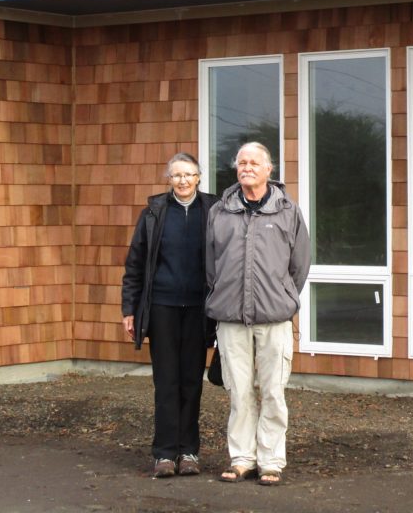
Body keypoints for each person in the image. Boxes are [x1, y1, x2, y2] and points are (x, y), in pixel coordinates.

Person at [205, 142, 310, 487]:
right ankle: (241, 459)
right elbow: (212, 266)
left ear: (269, 170)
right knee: (239, 392)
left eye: (254, 162)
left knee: (273, 391)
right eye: (242, 162)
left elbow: (299, 266)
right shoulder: (221, 211)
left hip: (274, 319)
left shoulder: (287, 211)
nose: (247, 167)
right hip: (231, 319)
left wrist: (282, 298)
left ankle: (270, 461)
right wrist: (224, 293)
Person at [121, 152, 219, 478]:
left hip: (199, 309)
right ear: (169, 179)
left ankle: (189, 452)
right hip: (161, 307)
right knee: (166, 381)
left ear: (199, 177)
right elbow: (135, 265)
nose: (183, 181)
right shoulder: (153, 213)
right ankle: (164, 454)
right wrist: (129, 310)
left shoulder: (214, 210)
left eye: (189, 174)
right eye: (177, 175)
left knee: (192, 381)